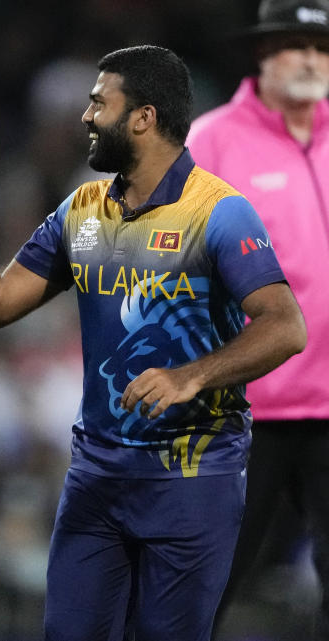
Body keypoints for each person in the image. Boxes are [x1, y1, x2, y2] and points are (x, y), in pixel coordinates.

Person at [0, 45, 307, 641]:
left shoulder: (221, 214)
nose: (86, 115)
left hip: (191, 480)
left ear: (143, 117)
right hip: (96, 478)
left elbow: (285, 326)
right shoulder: (82, 209)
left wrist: (189, 375)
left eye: (99, 102)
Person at [186, 0, 329, 636]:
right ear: (262, 55)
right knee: (200, 585)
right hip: (244, 407)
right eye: (295, 45)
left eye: (322, 47)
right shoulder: (212, 140)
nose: (310, 59)